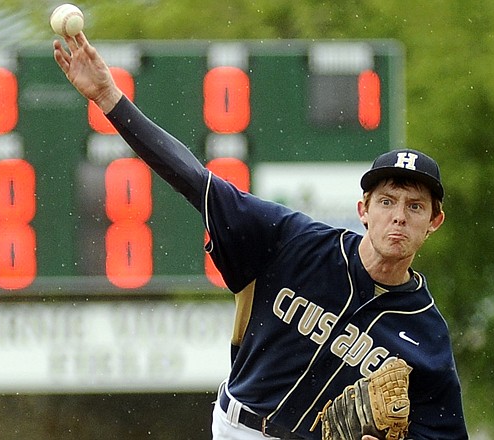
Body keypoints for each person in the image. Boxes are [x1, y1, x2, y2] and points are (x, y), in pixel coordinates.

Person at [53, 32, 469, 440]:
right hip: (238, 429)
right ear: (363, 210)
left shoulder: (426, 335)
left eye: (414, 206)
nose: (398, 217)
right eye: (386, 201)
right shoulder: (294, 242)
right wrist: (110, 97)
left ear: (434, 221)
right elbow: (193, 179)